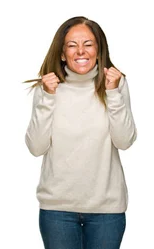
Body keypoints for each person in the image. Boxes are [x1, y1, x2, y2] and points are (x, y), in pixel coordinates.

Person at [25, 16, 136, 249]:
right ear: (63, 53)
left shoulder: (115, 84)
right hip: (57, 210)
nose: (80, 51)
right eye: (72, 45)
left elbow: (125, 141)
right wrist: (48, 97)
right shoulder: (47, 89)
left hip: (107, 210)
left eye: (88, 44)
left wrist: (113, 93)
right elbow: (36, 147)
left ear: (98, 49)